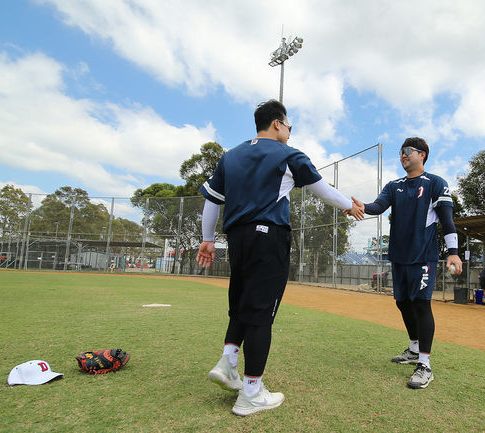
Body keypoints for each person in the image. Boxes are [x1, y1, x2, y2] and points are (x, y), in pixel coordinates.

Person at [197, 99, 364, 416]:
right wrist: (348, 205)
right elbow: (322, 190)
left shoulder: (229, 157)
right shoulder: (289, 154)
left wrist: (207, 240)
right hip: (268, 236)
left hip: (237, 239)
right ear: (277, 123)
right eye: (289, 124)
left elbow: (212, 202)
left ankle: (228, 363)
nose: (289, 130)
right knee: (261, 314)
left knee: (244, 303)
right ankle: (250, 394)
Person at [350, 137, 462, 389]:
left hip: (423, 256)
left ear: (422, 155)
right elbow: (378, 206)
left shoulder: (435, 183)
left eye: (407, 151)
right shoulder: (394, 186)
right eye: (400, 152)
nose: (402, 155)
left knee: (421, 304)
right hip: (399, 257)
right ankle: (413, 349)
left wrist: (453, 252)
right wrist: (362, 206)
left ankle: (425, 365)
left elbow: (447, 219)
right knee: (402, 303)